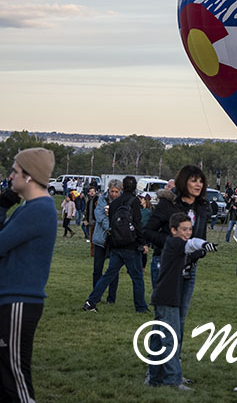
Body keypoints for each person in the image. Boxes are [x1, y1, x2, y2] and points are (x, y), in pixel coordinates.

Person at [0, 148, 57, 403]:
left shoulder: (40, 209)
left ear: (30, 176)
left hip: (19, 301)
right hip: (11, 299)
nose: (11, 176)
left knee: (16, 379)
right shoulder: (28, 207)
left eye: (15, 171)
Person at [146, 212, 217, 390]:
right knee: (171, 339)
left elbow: (190, 251)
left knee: (158, 338)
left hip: (163, 297)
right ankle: (173, 380)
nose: (187, 232)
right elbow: (191, 244)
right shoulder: (175, 242)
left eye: (190, 229)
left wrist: (200, 251)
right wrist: (204, 244)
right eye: (183, 229)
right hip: (168, 298)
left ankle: (153, 378)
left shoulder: (175, 245)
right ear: (173, 230)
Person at [144, 165, 210, 352]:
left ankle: (173, 363)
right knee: (164, 317)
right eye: (193, 180)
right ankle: (158, 366)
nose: (198, 185)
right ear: (184, 181)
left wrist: (200, 250)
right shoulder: (168, 204)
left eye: (201, 181)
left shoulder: (202, 207)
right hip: (166, 264)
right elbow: (147, 231)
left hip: (189, 267)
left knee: (180, 317)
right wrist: (173, 244)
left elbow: (200, 237)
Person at [82, 175, 149, 313]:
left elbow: (112, 223)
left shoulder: (115, 203)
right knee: (137, 278)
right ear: (135, 187)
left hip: (116, 244)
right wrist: (142, 243)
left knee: (108, 275)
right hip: (131, 245)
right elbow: (137, 223)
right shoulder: (135, 202)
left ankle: (91, 301)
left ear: (123, 188)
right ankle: (141, 307)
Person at [91, 178, 122, 303]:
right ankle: (95, 296)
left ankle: (111, 298)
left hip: (115, 240)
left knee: (113, 270)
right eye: (112, 191)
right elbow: (99, 215)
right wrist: (109, 226)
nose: (113, 194)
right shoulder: (102, 200)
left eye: (116, 191)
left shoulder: (122, 202)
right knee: (97, 269)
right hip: (101, 238)